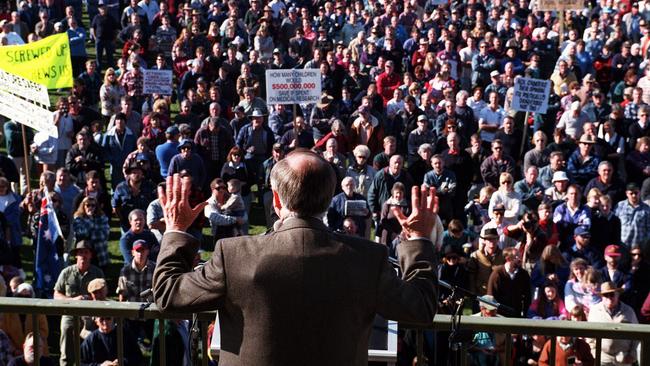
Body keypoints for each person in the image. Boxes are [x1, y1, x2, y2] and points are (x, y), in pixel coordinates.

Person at [152, 150, 438, 365]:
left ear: (276, 200)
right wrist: (419, 241)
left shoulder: (234, 255)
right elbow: (420, 308)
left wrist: (176, 231)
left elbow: (168, 294)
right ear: (329, 199)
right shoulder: (367, 258)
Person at [53, 241, 104, 366]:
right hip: (70, 313)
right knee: (66, 328)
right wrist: (73, 300)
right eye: (81, 252)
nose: (83, 255)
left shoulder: (97, 273)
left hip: (92, 314)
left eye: (86, 252)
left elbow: (104, 295)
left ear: (91, 255)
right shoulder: (66, 272)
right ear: (76, 255)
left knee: (96, 343)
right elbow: (56, 295)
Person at [587, 281, 639, 365]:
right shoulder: (594, 311)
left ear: (617, 294)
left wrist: (632, 355)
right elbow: (589, 335)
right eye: (605, 295)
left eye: (612, 294)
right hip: (602, 358)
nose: (609, 297)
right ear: (601, 297)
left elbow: (638, 335)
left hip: (624, 358)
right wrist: (594, 352)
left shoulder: (628, 311)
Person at [487, 247, 532, 317]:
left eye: (519, 256)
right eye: (516, 257)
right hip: (499, 316)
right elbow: (491, 296)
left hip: (517, 315)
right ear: (507, 259)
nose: (519, 259)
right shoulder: (497, 274)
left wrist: (525, 314)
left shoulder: (524, 274)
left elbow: (527, 297)